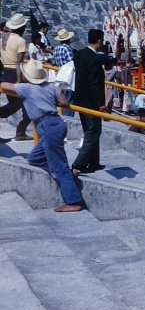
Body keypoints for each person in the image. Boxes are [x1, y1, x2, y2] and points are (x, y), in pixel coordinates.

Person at [0, 60, 84, 212]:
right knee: (35, 158)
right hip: (56, 123)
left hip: (47, 126)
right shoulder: (50, 86)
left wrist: (18, 79)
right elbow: (64, 102)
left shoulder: (25, 88)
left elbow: (4, 86)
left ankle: (74, 201)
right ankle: (67, 175)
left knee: (59, 164)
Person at [72, 28, 111, 174]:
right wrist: (101, 103)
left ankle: (94, 162)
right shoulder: (94, 59)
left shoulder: (80, 54)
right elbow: (95, 84)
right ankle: (79, 163)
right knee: (93, 131)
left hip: (80, 99)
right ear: (100, 41)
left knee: (90, 130)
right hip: (91, 102)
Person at [0, 12, 33, 140]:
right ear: (22, 28)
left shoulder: (3, 38)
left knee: (18, 103)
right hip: (15, 73)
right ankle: (20, 131)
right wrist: (19, 81)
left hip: (5, 73)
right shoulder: (21, 41)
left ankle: (21, 131)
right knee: (26, 102)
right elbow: (18, 63)